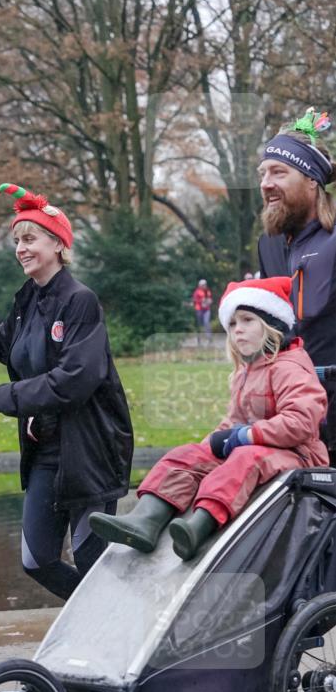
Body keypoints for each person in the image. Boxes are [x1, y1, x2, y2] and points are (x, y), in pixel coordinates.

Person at [0, 182, 133, 600]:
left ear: (59, 244)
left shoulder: (80, 301)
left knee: (91, 559)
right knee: (37, 559)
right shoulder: (29, 299)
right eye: (16, 241)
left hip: (88, 451)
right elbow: (10, 349)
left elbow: (73, 382)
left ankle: (115, 632)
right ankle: (108, 619)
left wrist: (3, 398)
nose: (20, 249)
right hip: (44, 451)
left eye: (29, 239)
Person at [91, 276, 328, 561]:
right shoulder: (246, 371)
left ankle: (199, 527)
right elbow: (234, 421)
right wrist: (211, 444)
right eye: (232, 324)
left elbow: (301, 422)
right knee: (187, 454)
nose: (238, 330)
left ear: (272, 325)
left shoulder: (289, 367)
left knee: (245, 458)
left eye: (247, 320)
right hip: (260, 448)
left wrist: (245, 436)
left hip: (298, 456)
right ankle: (145, 519)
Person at [257, 106, 336, 466]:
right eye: (262, 173)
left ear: (310, 181)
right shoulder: (268, 245)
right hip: (289, 413)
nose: (265, 183)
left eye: (278, 172)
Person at [191, 279, 213, 344]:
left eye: (205, 284)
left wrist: (209, 301)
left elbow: (210, 299)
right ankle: (198, 339)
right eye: (203, 285)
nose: (204, 286)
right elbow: (194, 300)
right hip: (199, 309)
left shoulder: (208, 291)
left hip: (206, 309)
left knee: (207, 323)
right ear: (200, 285)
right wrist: (201, 301)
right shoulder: (197, 292)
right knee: (199, 325)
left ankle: (209, 338)